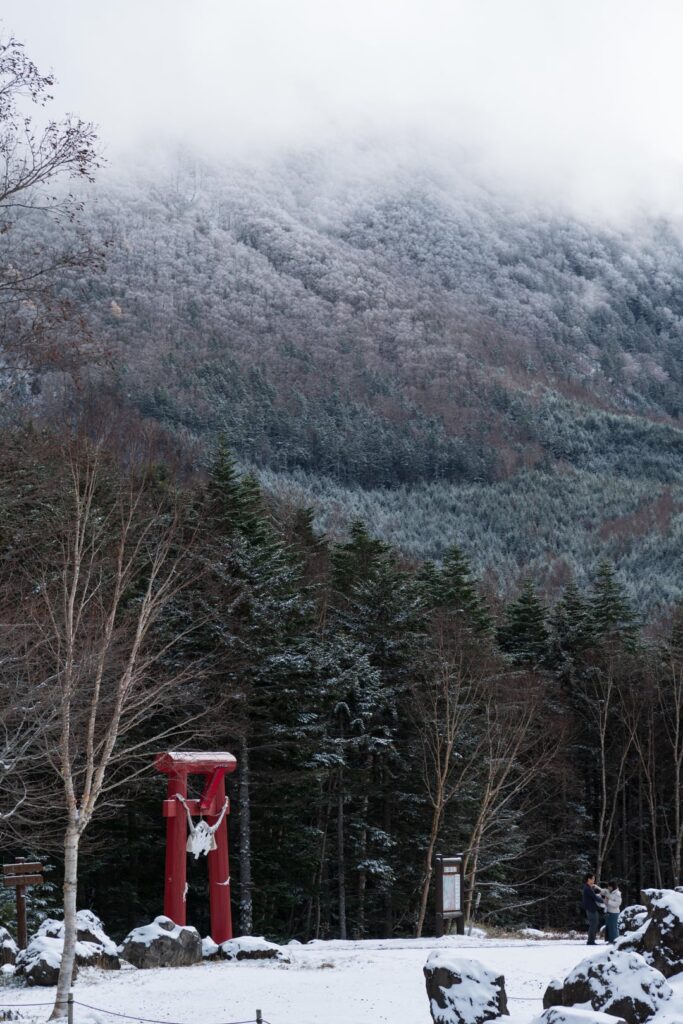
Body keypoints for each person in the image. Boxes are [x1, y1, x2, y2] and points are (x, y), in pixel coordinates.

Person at [582, 872, 604, 945]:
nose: (594, 880)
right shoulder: (587, 888)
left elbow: (593, 896)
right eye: (593, 878)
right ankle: (590, 941)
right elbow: (594, 897)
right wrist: (604, 901)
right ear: (589, 879)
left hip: (592, 908)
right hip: (591, 909)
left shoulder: (588, 887)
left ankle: (591, 940)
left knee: (594, 924)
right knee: (593, 924)